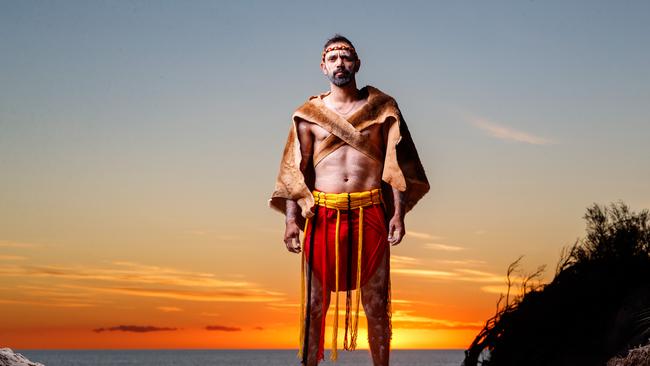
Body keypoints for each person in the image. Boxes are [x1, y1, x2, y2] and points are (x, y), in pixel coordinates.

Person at [269, 34, 429, 366]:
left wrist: (398, 215)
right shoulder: (308, 115)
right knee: (314, 304)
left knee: (375, 303)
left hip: (370, 211)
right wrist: (290, 222)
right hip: (323, 215)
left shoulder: (383, 108)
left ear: (357, 63)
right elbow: (293, 172)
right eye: (333, 58)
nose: (340, 63)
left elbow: (395, 165)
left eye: (346, 57)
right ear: (323, 66)